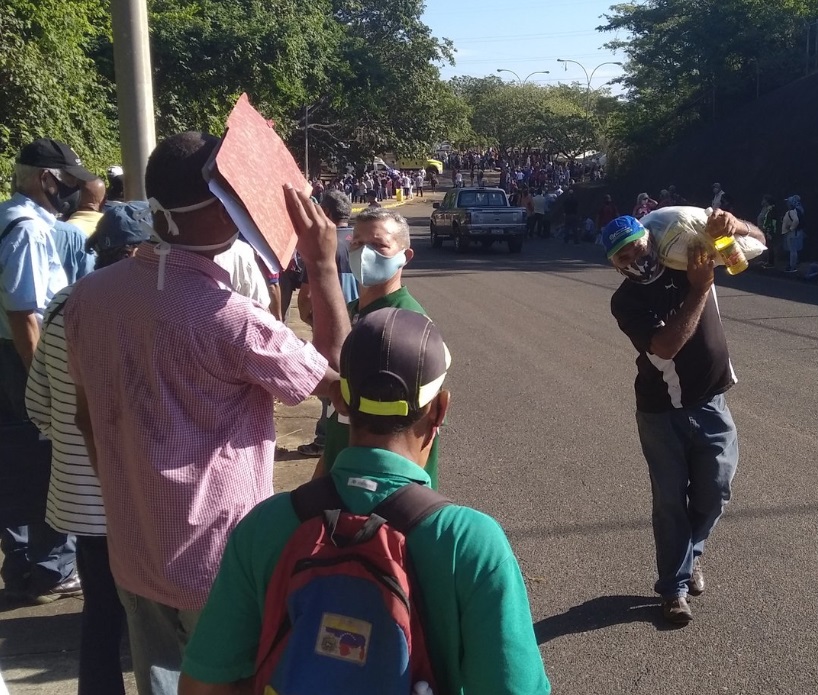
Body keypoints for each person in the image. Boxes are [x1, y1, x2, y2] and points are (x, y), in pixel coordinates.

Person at [65, 131, 349, 695]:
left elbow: (84, 418)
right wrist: (320, 265)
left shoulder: (88, 298)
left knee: (159, 683)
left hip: (133, 544)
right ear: (222, 207)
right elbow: (340, 385)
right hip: (220, 561)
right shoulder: (235, 321)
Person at [179, 309, 551, 695]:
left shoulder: (267, 524)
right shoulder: (469, 543)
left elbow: (202, 684)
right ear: (440, 409)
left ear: (340, 400)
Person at [601, 212, 765, 625]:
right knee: (670, 501)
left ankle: (692, 555)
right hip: (662, 412)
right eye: (623, 256)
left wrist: (735, 227)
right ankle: (673, 589)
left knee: (715, 490)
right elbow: (667, 346)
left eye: (637, 246)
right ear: (615, 266)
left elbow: (760, 242)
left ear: (650, 240)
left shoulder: (688, 257)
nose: (634, 257)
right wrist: (700, 289)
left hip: (712, 403)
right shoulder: (628, 300)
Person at [25, 204, 150, 695]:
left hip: (81, 501)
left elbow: (38, 403)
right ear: (139, 251)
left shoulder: (59, 305)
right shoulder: (146, 309)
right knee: (154, 617)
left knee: (101, 609)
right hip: (142, 497)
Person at [1, 138, 87, 607]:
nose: (72, 190)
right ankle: (52, 569)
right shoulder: (30, 230)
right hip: (20, 356)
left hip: (7, 356)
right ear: (46, 179)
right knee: (46, 456)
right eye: (68, 180)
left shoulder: (4, 217)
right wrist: (44, 381)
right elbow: (23, 313)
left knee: (12, 458)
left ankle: (20, 564)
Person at [311, 208, 443, 487]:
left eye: (379, 245)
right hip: (341, 473)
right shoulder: (348, 314)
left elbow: (413, 427)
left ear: (404, 257)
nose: (364, 252)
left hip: (385, 487)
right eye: (357, 243)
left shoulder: (409, 325)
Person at [296, 190, 360, 458]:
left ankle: (325, 439)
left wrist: (308, 316)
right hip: (361, 319)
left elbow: (307, 293)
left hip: (331, 323)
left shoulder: (323, 241)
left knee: (330, 379)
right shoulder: (361, 239)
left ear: (328, 213)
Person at [780, 194, 805, 273]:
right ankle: (793, 264)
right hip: (796, 232)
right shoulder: (799, 210)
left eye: (788, 203)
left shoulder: (795, 211)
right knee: (793, 250)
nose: (787, 204)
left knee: (793, 250)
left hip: (793, 233)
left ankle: (792, 266)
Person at [755, 194, 778, 268]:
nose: (762, 201)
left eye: (764, 200)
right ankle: (765, 260)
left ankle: (770, 262)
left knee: (769, 246)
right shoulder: (764, 208)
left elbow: (770, 220)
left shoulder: (770, 209)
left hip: (767, 230)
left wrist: (768, 231)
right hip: (761, 230)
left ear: (767, 201)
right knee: (764, 245)